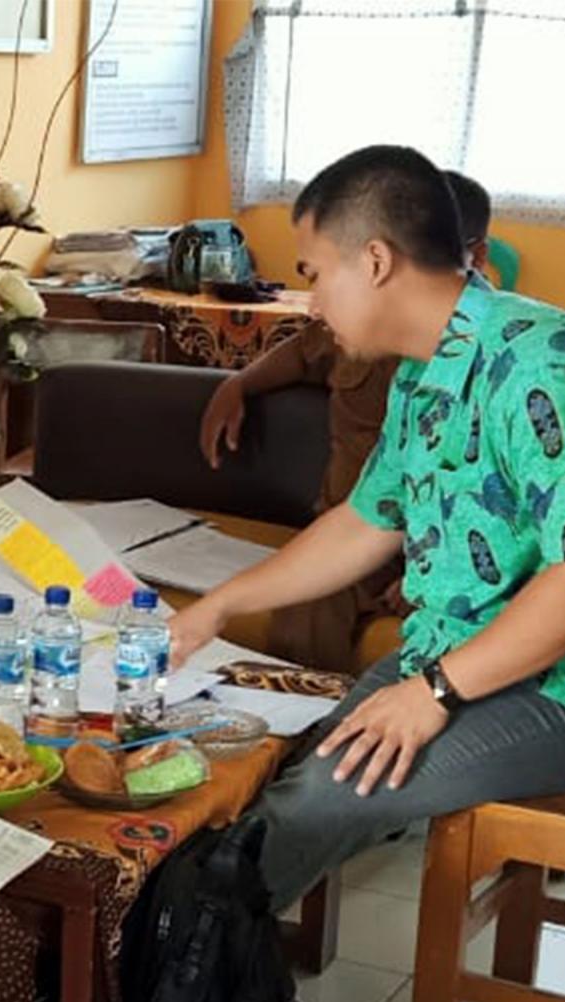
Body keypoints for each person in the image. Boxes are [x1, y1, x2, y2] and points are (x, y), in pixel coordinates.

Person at [170, 146, 565, 911]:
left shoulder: (551, 367)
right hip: (469, 658)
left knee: (327, 789)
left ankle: (181, 976)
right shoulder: (424, 373)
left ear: (377, 261)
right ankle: (211, 970)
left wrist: (434, 692)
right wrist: (220, 605)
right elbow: (364, 522)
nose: (311, 303)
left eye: (315, 274)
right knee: (280, 763)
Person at [198, 169, 496, 673]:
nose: (313, 303)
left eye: (317, 276)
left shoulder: (513, 366)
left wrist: (436, 572)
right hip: (366, 540)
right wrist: (238, 384)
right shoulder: (374, 347)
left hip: (469, 576)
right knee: (305, 606)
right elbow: (372, 511)